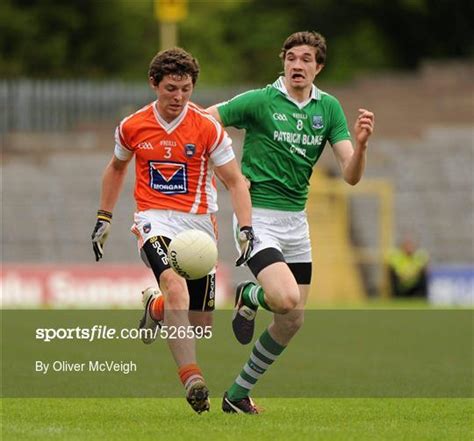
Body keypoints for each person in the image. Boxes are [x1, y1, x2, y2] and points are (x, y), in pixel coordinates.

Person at [207, 31, 375, 414]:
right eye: (291, 57)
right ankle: (248, 296)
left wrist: (362, 145)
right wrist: (228, 174)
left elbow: (350, 175)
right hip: (258, 218)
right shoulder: (260, 100)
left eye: (306, 59)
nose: (297, 65)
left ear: (319, 67)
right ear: (283, 62)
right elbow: (205, 123)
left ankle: (236, 395)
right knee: (284, 299)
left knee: (292, 320)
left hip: (296, 224)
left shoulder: (328, 108)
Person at [91, 47, 254, 413]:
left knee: (199, 325)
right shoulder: (133, 126)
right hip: (154, 219)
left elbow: (236, 182)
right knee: (176, 286)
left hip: (199, 227)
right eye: (170, 89)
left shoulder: (207, 127)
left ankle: (156, 306)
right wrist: (104, 216)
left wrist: (246, 227)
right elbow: (116, 169)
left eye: (185, 89)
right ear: (154, 84)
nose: (178, 97)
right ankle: (193, 380)